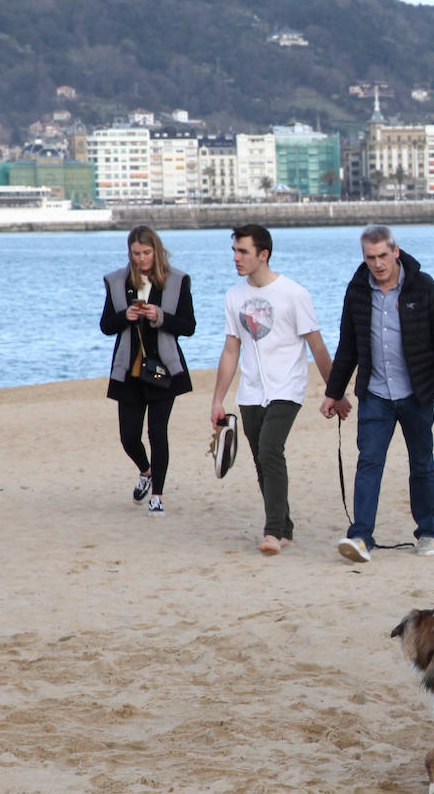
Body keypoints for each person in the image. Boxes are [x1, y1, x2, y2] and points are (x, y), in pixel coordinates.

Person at [321, 225, 434, 563]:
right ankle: (360, 538)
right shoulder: (357, 291)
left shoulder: (423, 287)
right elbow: (347, 347)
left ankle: (428, 533)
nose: (378, 263)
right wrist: (333, 392)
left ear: (395, 252)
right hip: (375, 394)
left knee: (422, 465)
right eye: (370, 257)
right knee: (369, 462)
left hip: (417, 394)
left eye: (383, 255)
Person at [211, 224, 335, 556]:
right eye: (234, 251)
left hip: (287, 388)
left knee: (269, 450)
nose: (236, 258)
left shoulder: (294, 294)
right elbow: (230, 349)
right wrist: (218, 399)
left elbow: (317, 346)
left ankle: (273, 532)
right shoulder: (233, 296)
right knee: (261, 461)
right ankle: (286, 527)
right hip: (251, 391)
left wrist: (334, 391)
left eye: (243, 252)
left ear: (263, 255)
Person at [100, 226, 195, 518]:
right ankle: (146, 471)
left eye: (146, 253)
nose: (141, 259)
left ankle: (157, 497)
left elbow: (188, 327)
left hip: (164, 370)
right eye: (135, 253)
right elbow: (105, 326)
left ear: (157, 251)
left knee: (157, 433)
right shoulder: (117, 281)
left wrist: (160, 316)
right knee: (129, 436)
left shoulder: (177, 280)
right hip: (128, 371)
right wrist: (124, 316)